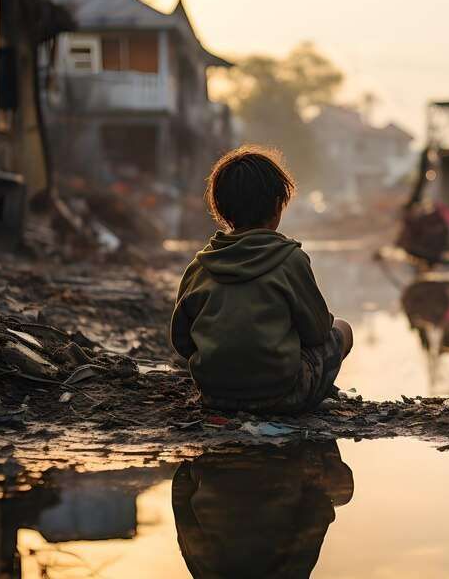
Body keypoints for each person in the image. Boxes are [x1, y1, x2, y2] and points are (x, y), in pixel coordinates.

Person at [170, 145, 354, 414]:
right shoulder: (290, 259)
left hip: (214, 397)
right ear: (278, 206)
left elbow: (182, 341)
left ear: (222, 212)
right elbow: (317, 331)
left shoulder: (200, 265)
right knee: (343, 328)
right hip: (283, 397)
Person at [172, 441, 353, 579]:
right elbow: (181, 492)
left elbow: (317, 510)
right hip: (212, 457)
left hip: (286, 455)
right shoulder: (203, 573)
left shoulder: (291, 574)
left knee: (342, 492)